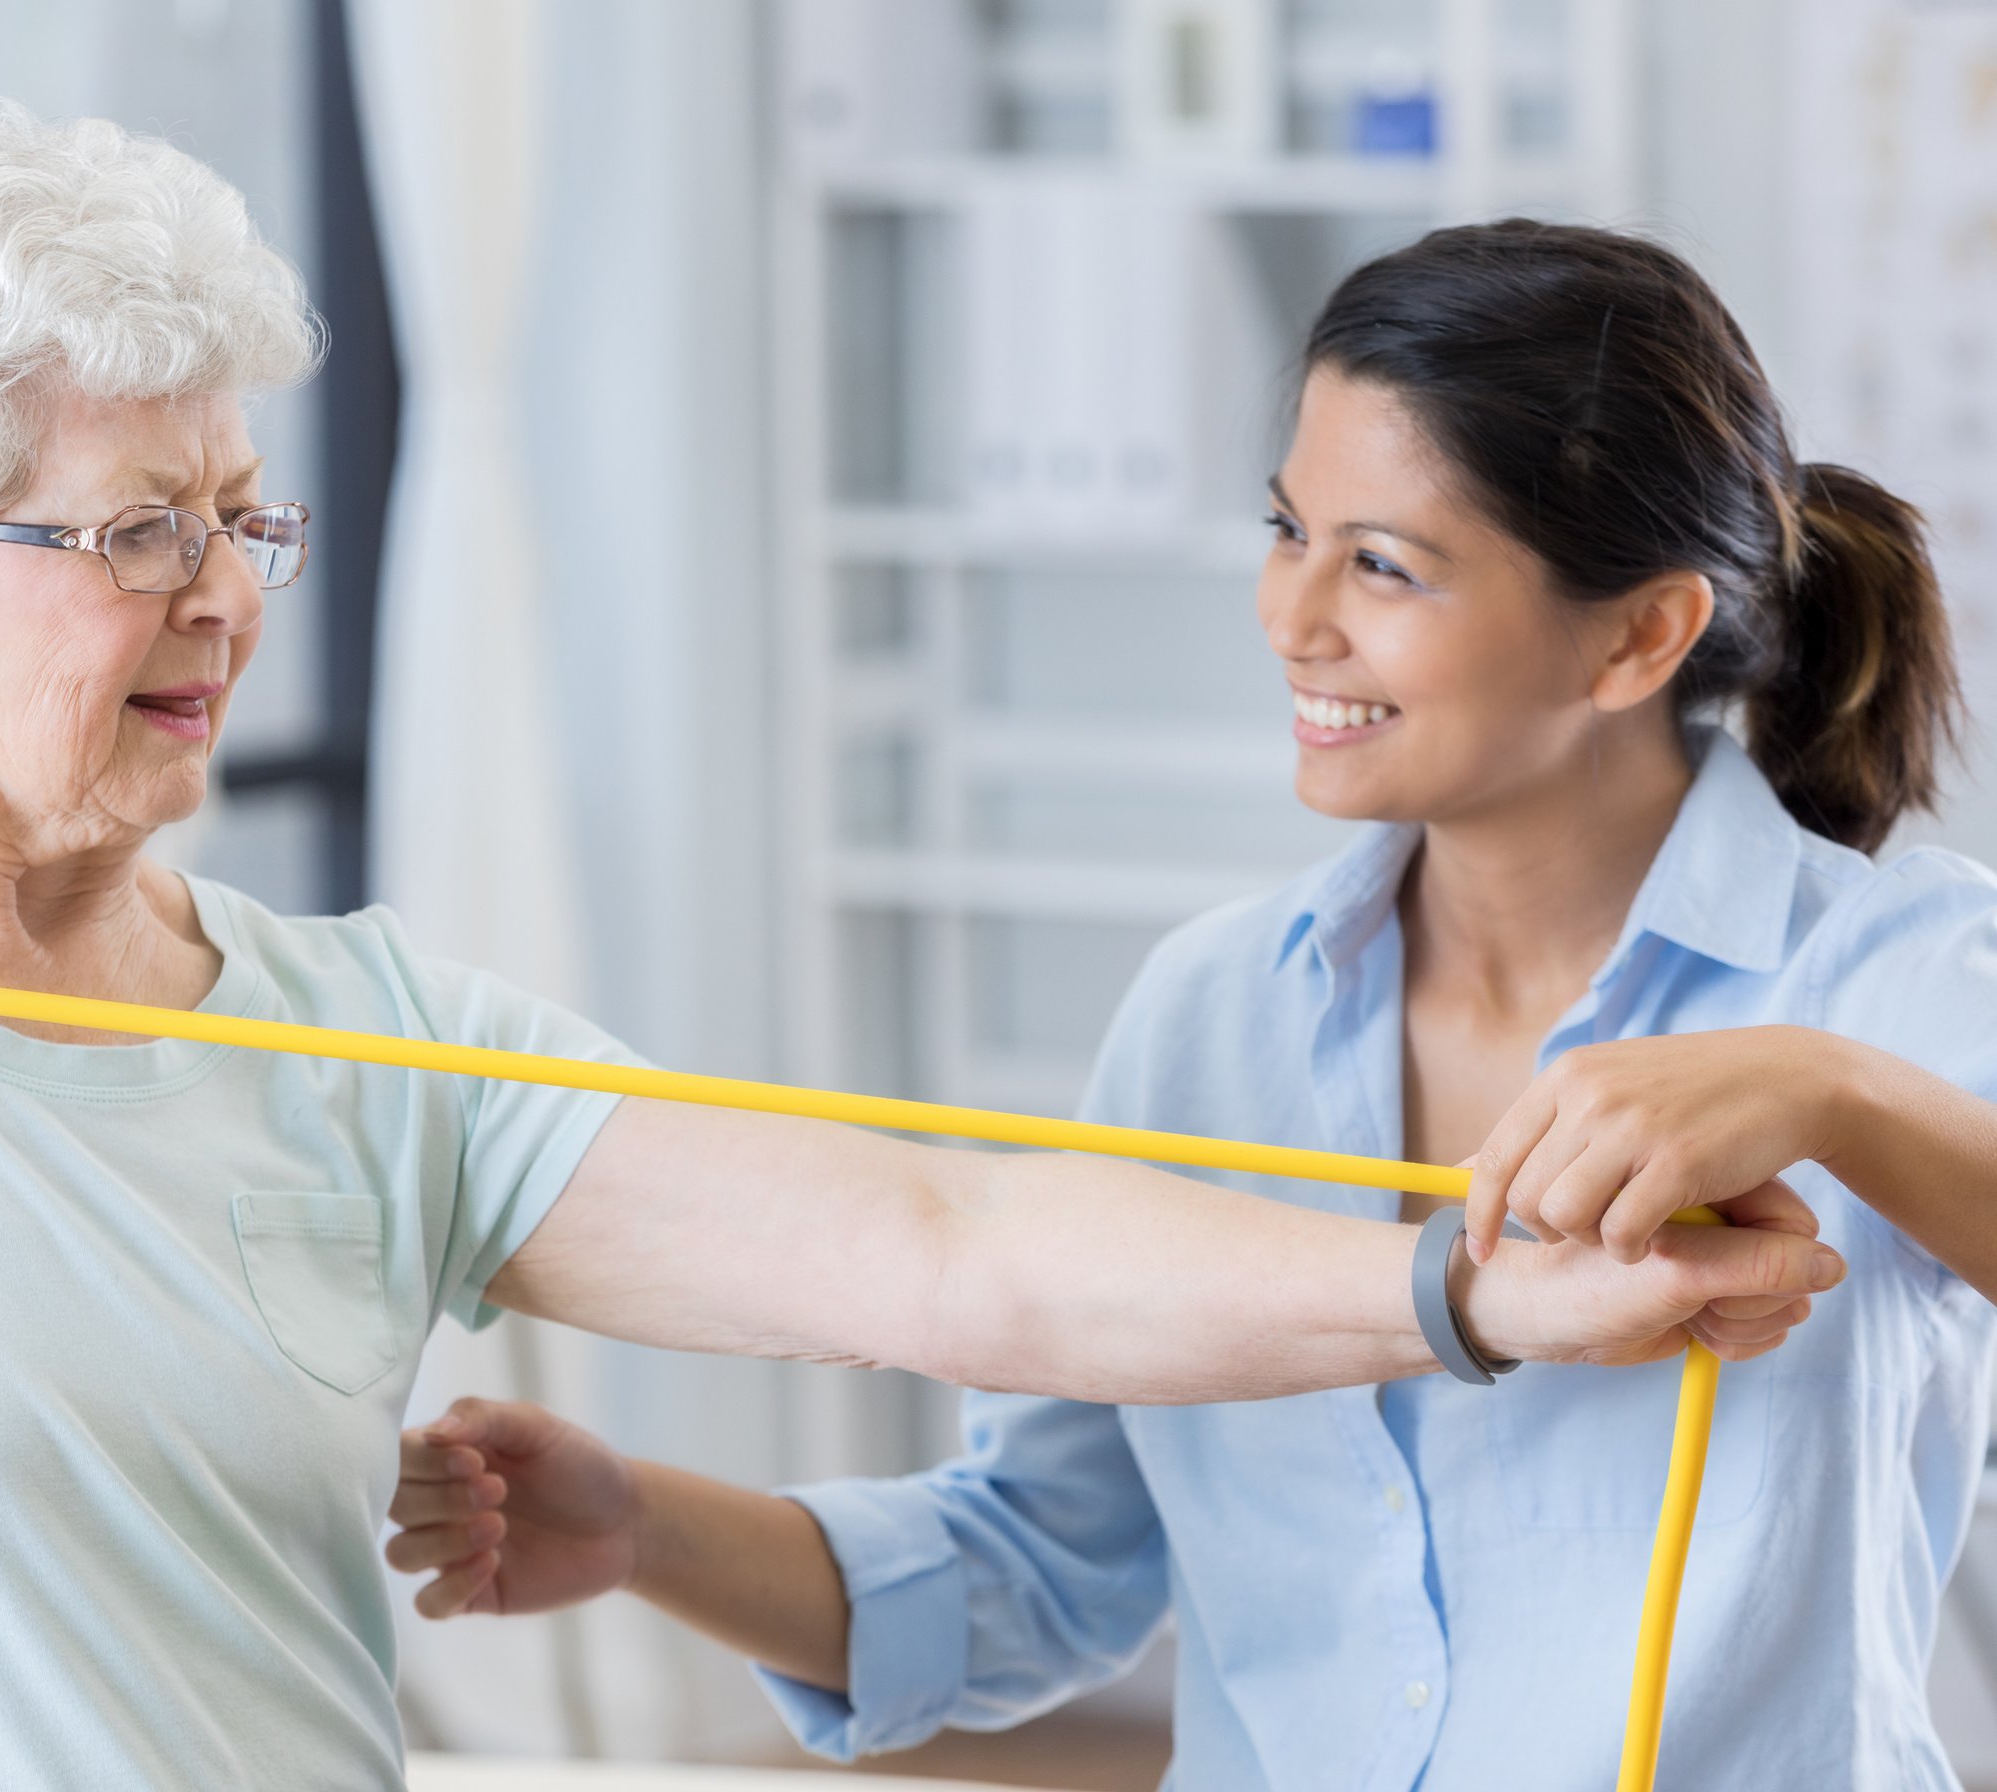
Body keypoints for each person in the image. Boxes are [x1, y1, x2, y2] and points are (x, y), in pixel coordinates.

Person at [388, 220, 1997, 1790]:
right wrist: (641, 1529)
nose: (1292, 618)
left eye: (1384, 565)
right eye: (1287, 529)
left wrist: (1832, 1092)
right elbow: (1038, 1561)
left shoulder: (1891, 974)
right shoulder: (1213, 1013)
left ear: (1639, 636)